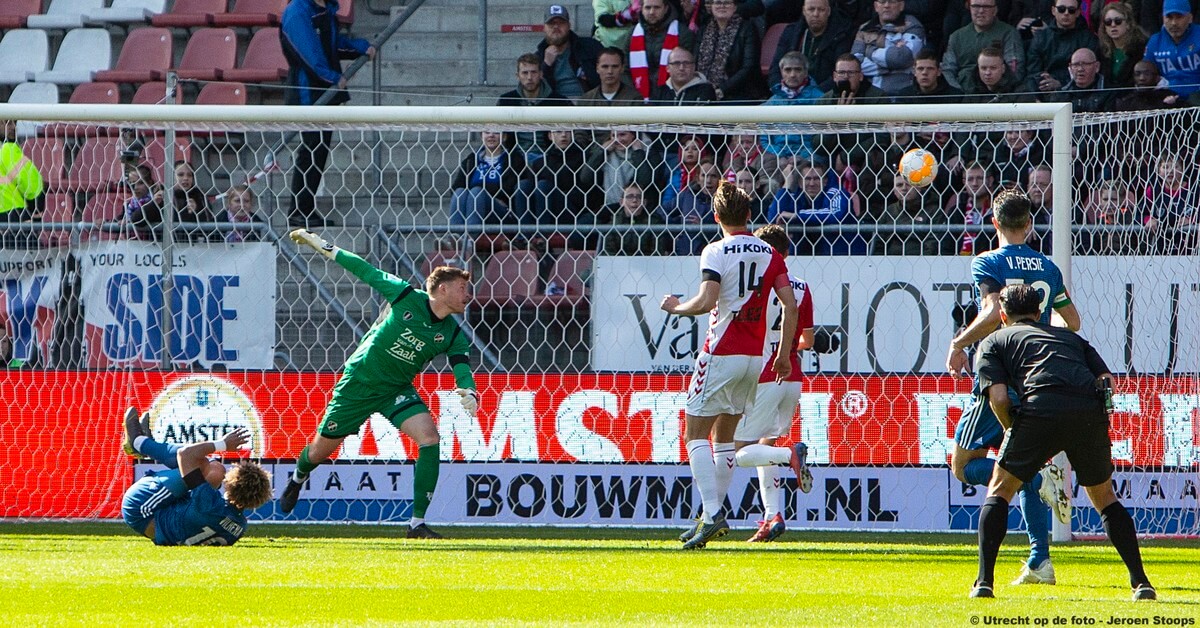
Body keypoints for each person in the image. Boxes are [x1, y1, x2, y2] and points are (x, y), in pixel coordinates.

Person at [278, 229, 479, 539]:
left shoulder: (453, 334)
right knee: (319, 451)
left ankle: (416, 524)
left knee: (429, 438)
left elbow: (461, 367)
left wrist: (469, 391)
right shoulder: (405, 295)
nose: (469, 294)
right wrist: (323, 246)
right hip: (359, 383)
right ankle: (298, 476)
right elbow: (364, 269)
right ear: (441, 289)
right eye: (463, 287)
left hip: (395, 390)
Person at [968, 284, 1157, 601]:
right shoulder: (1072, 339)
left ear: (1003, 315)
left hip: (1038, 409)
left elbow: (999, 398)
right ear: (1039, 312)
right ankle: (1141, 583)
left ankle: (984, 583)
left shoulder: (993, 342)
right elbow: (1107, 381)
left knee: (1000, 490)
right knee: (1105, 498)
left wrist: (1015, 432)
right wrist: (1094, 420)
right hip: (1088, 412)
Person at [946, 189, 1082, 588]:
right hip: (1037, 377)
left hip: (1000, 374)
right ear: (1029, 226)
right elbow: (1072, 321)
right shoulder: (1048, 267)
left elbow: (990, 313)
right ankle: (1040, 562)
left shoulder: (987, 261)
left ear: (994, 223)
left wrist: (958, 344)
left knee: (963, 464)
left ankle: (1040, 481)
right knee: (1022, 459)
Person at [660, 181, 799, 550]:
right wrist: (783, 354)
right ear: (750, 215)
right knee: (724, 439)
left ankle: (711, 513)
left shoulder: (715, 250)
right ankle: (709, 516)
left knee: (694, 436)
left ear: (716, 216)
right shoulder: (771, 253)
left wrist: (675, 307)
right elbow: (789, 305)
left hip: (720, 351)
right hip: (755, 358)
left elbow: (706, 301)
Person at [734, 224, 815, 543]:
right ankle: (772, 516)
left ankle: (791, 456)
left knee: (739, 452)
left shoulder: (759, 288)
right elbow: (806, 339)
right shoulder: (801, 287)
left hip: (764, 375)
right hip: (792, 377)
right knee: (763, 448)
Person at [280, 0, 375, 228]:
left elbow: (331, 45)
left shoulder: (325, 9)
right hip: (307, 90)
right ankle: (298, 210)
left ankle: (305, 207)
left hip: (324, 90)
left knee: (319, 150)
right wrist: (332, 78)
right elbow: (308, 54)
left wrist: (359, 47)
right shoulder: (298, 11)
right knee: (311, 149)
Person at [121, 407, 272, 546]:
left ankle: (139, 443)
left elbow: (185, 454)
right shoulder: (239, 526)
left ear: (231, 483)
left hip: (141, 509)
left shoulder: (209, 502)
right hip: (164, 529)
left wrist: (222, 444)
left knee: (212, 469)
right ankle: (147, 445)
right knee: (209, 472)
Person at [496, 54, 574, 164]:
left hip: (551, 160)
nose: (529, 77)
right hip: (515, 161)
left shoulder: (559, 101)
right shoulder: (506, 101)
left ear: (541, 74)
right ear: (517, 76)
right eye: (525, 73)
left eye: (533, 72)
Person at [760, 51, 824, 182]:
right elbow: (765, 139)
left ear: (806, 72)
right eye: (788, 70)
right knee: (765, 168)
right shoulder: (771, 103)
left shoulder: (820, 99)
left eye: (797, 70)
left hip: (809, 155)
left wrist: (802, 156)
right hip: (778, 155)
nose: (792, 74)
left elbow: (823, 137)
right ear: (781, 72)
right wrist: (780, 155)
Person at [449, 131, 532, 226]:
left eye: (496, 132)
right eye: (487, 132)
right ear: (481, 136)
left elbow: (508, 188)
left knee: (476, 192)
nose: (491, 135)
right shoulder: (471, 160)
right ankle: (455, 237)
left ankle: (470, 238)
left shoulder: (513, 159)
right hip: (472, 206)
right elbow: (455, 188)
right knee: (460, 192)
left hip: (502, 212)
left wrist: (480, 190)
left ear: (504, 137)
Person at [768, 0, 857, 89]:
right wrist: (780, 88)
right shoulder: (791, 32)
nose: (815, 14)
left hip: (821, 95)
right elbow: (776, 67)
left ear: (829, 11)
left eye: (821, 10)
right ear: (804, 11)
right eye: (811, 9)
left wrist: (814, 94)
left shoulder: (841, 35)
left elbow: (839, 74)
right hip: (787, 92)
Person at [941, 0, 1025, 90]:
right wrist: (957, 92)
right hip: (963, 92)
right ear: (969, 8)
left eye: (986, 7)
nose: (981, 11)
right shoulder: (956, 37)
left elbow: (1015, 69)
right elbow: (948, 70)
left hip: (998, 93)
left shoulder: (1009, 33)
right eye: (976, 6)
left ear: (995, 10)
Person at [851, 0, 928, 97]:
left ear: (901, 5)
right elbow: (854, 64)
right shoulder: (864, 29)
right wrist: (891, 65)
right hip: (871, 95)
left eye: (892, 1)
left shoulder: (913, 26)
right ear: (876, 6)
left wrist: (870, 51)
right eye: (882, 2)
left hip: (903, 94)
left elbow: (903, 58)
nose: (887, 5)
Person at [694, 0, 764, 103]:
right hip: (706, 91)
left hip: (740, 93)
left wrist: (722, 89)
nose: (722, 6)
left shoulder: (747, 29)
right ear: (711, 7)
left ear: (735, 7)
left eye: (726, 2)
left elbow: (749, 67)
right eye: (717, 3)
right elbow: (694, 61)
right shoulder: (704, 30)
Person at [1025, 0, 1100, 95]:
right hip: (1045, 92)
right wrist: (1043, 81)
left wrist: (1060, 83)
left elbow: (1090, 72)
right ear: (1053, 11)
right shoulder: (1041, 38)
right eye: (1061, 9)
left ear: (1078, 13)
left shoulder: (1089, 39)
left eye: (1071, 10)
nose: (1066, 13)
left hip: (1079, 93)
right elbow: (1033, 71)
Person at [630, 0, 696, 100]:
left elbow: (689, 68)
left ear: (665, 9)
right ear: (641, 9)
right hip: (637, 97)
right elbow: (625, 70)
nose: (652, 12)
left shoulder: (683, 33)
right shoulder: (631, 35)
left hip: (672, 96)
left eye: (656, 7)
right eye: (648, 8)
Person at [537, 4, 605, 101]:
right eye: (551, 23)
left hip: (589, 103)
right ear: (544, 28)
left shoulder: (590, 47)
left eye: (561, 22)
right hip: (556, 106)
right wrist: (546, 65)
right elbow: (534, 90)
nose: (556, 26)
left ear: (569, 25)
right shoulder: (539, 56)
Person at [0, 118, 44, 249]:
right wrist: (36, 218)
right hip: (13, 224)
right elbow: (34, 189)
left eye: (15, 122)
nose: (13, 127)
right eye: (6, 122)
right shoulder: (7, 149)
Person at [1144, 0, 1200, 101]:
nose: (1174, 23)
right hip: (1165, 99)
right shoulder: (1155, 41)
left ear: (1190, 18)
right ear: (1163, 18)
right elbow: (1146, 75)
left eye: (1179, 17)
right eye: (1169, 17)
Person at [602, 182, 672, 254]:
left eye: (639, 197)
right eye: (630, 196)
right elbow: (609, 252)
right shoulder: (614, 222)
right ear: (621, 202)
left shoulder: (654, 222)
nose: (634, 200)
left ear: (644, 202)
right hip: (619, 263)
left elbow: (657, 252)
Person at [1097, 2, 1147, 87]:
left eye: (1118, 21)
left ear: (1128, 24)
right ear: (1104, 27)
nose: (1113, 25)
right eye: (1108, 22)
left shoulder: (1141, 48)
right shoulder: (1101, 51)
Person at [1047, 47, 1113, 111]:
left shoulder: (1109, 92)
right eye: (1075, 65)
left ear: (1097, 66)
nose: (1080, 69)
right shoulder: (1060, 94)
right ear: (1070, 67)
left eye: (1086, 64)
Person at [164, 161, 215, 242]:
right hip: (165, 244)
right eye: (180, 175)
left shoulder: (199, 196)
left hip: (192, 246)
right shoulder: (164, 195)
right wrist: (154, 203)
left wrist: (197, 211)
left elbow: (209, 224)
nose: (185, 178)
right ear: (171, 176)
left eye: (189, 175)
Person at [896, 49, 965, 102]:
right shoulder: (904, 96)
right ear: (914, 72)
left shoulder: (956, 97)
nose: (924, 72)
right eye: (920, 69)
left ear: (938, 71)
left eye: (930, 69)